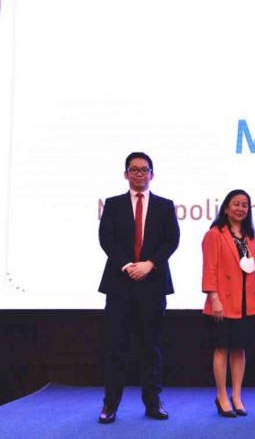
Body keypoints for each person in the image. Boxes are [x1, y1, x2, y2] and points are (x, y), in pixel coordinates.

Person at [97, 152, 180, 424]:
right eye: (134, 169)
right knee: (115, 347)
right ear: (125, 174)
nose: (139, 174)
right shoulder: (112, 204)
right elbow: (106, 239)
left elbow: (172, 240)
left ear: (152, 175)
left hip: (153, 284)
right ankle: (110, 405)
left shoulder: (165, 206)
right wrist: (127, 265)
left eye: (144, 170)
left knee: (151, 347)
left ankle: (153, 404)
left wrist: (150, 264)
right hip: (120, 285)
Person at [202, 189, 255, 418]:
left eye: (245, 205)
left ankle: (237, 396)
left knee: (240, 349)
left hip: (247, 302)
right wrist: (214, 298)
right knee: (222, 348)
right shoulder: (214, 234)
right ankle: (222, 396)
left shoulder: (250, 236)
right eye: (236, 204)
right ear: (226, 208)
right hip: (223, 302)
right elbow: (210, 268)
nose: (240, 208)